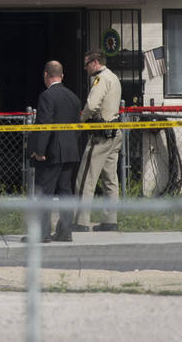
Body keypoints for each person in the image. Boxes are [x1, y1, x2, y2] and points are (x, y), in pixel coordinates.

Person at [26, 60, 81, 242]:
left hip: (52, 152)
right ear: (62, 76)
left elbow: (45, 124)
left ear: (45, 75)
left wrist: (40, 150)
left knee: (45, 192)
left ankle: (42, 234)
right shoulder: (74, 97)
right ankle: (65, 232)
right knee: (65, 192)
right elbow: (77, 126)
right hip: (70, 151)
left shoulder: (47, 96)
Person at [74, 50, 123, 232]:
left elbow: (92, 104)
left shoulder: (101, 79)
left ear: (95, 63)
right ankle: (110, 220)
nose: (85, 68)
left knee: (85, 177)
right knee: (110, 179)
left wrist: (82, 119)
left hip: (100, 136)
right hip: (115, 133)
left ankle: (81, 221)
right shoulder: (114, 77)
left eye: (86, 64)